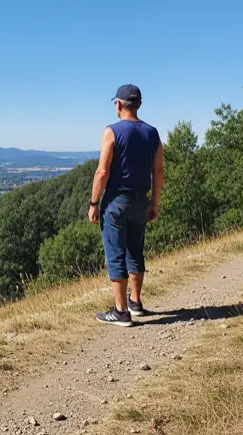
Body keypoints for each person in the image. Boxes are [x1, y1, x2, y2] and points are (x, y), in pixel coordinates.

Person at [88, 84, 164, 327]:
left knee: (115, 254)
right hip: (141, 199)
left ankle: (121, 312)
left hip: (116, 202)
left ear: (119, 104)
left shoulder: (111, 132)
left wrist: (94, 203)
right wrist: (154, 203)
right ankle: (135, 302)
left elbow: (102, 172)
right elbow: (159, 171)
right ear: (138, 104)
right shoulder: (152, 133)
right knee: (135, 251)